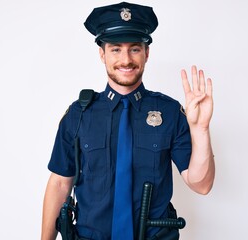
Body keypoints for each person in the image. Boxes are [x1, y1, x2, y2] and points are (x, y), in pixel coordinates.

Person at [41, 2, 215, 240]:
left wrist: (201, 129)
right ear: (102, 53)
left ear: (147, 53)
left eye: (134, 49)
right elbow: (60, 184)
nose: (126, 59)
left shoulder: (170, 112)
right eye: (115, 49)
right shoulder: (78, 115)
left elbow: (201, 184)